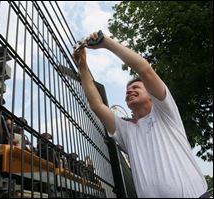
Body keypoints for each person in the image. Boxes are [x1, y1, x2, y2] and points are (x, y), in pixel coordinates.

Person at [73, 31, 207, 198]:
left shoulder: (165, 113)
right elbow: (97, 106)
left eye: (136, 88)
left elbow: (145, 70)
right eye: (128, 90)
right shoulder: (126, 131)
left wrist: (106, 42)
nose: (130, 91)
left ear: (151, 95)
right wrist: (83, 66)